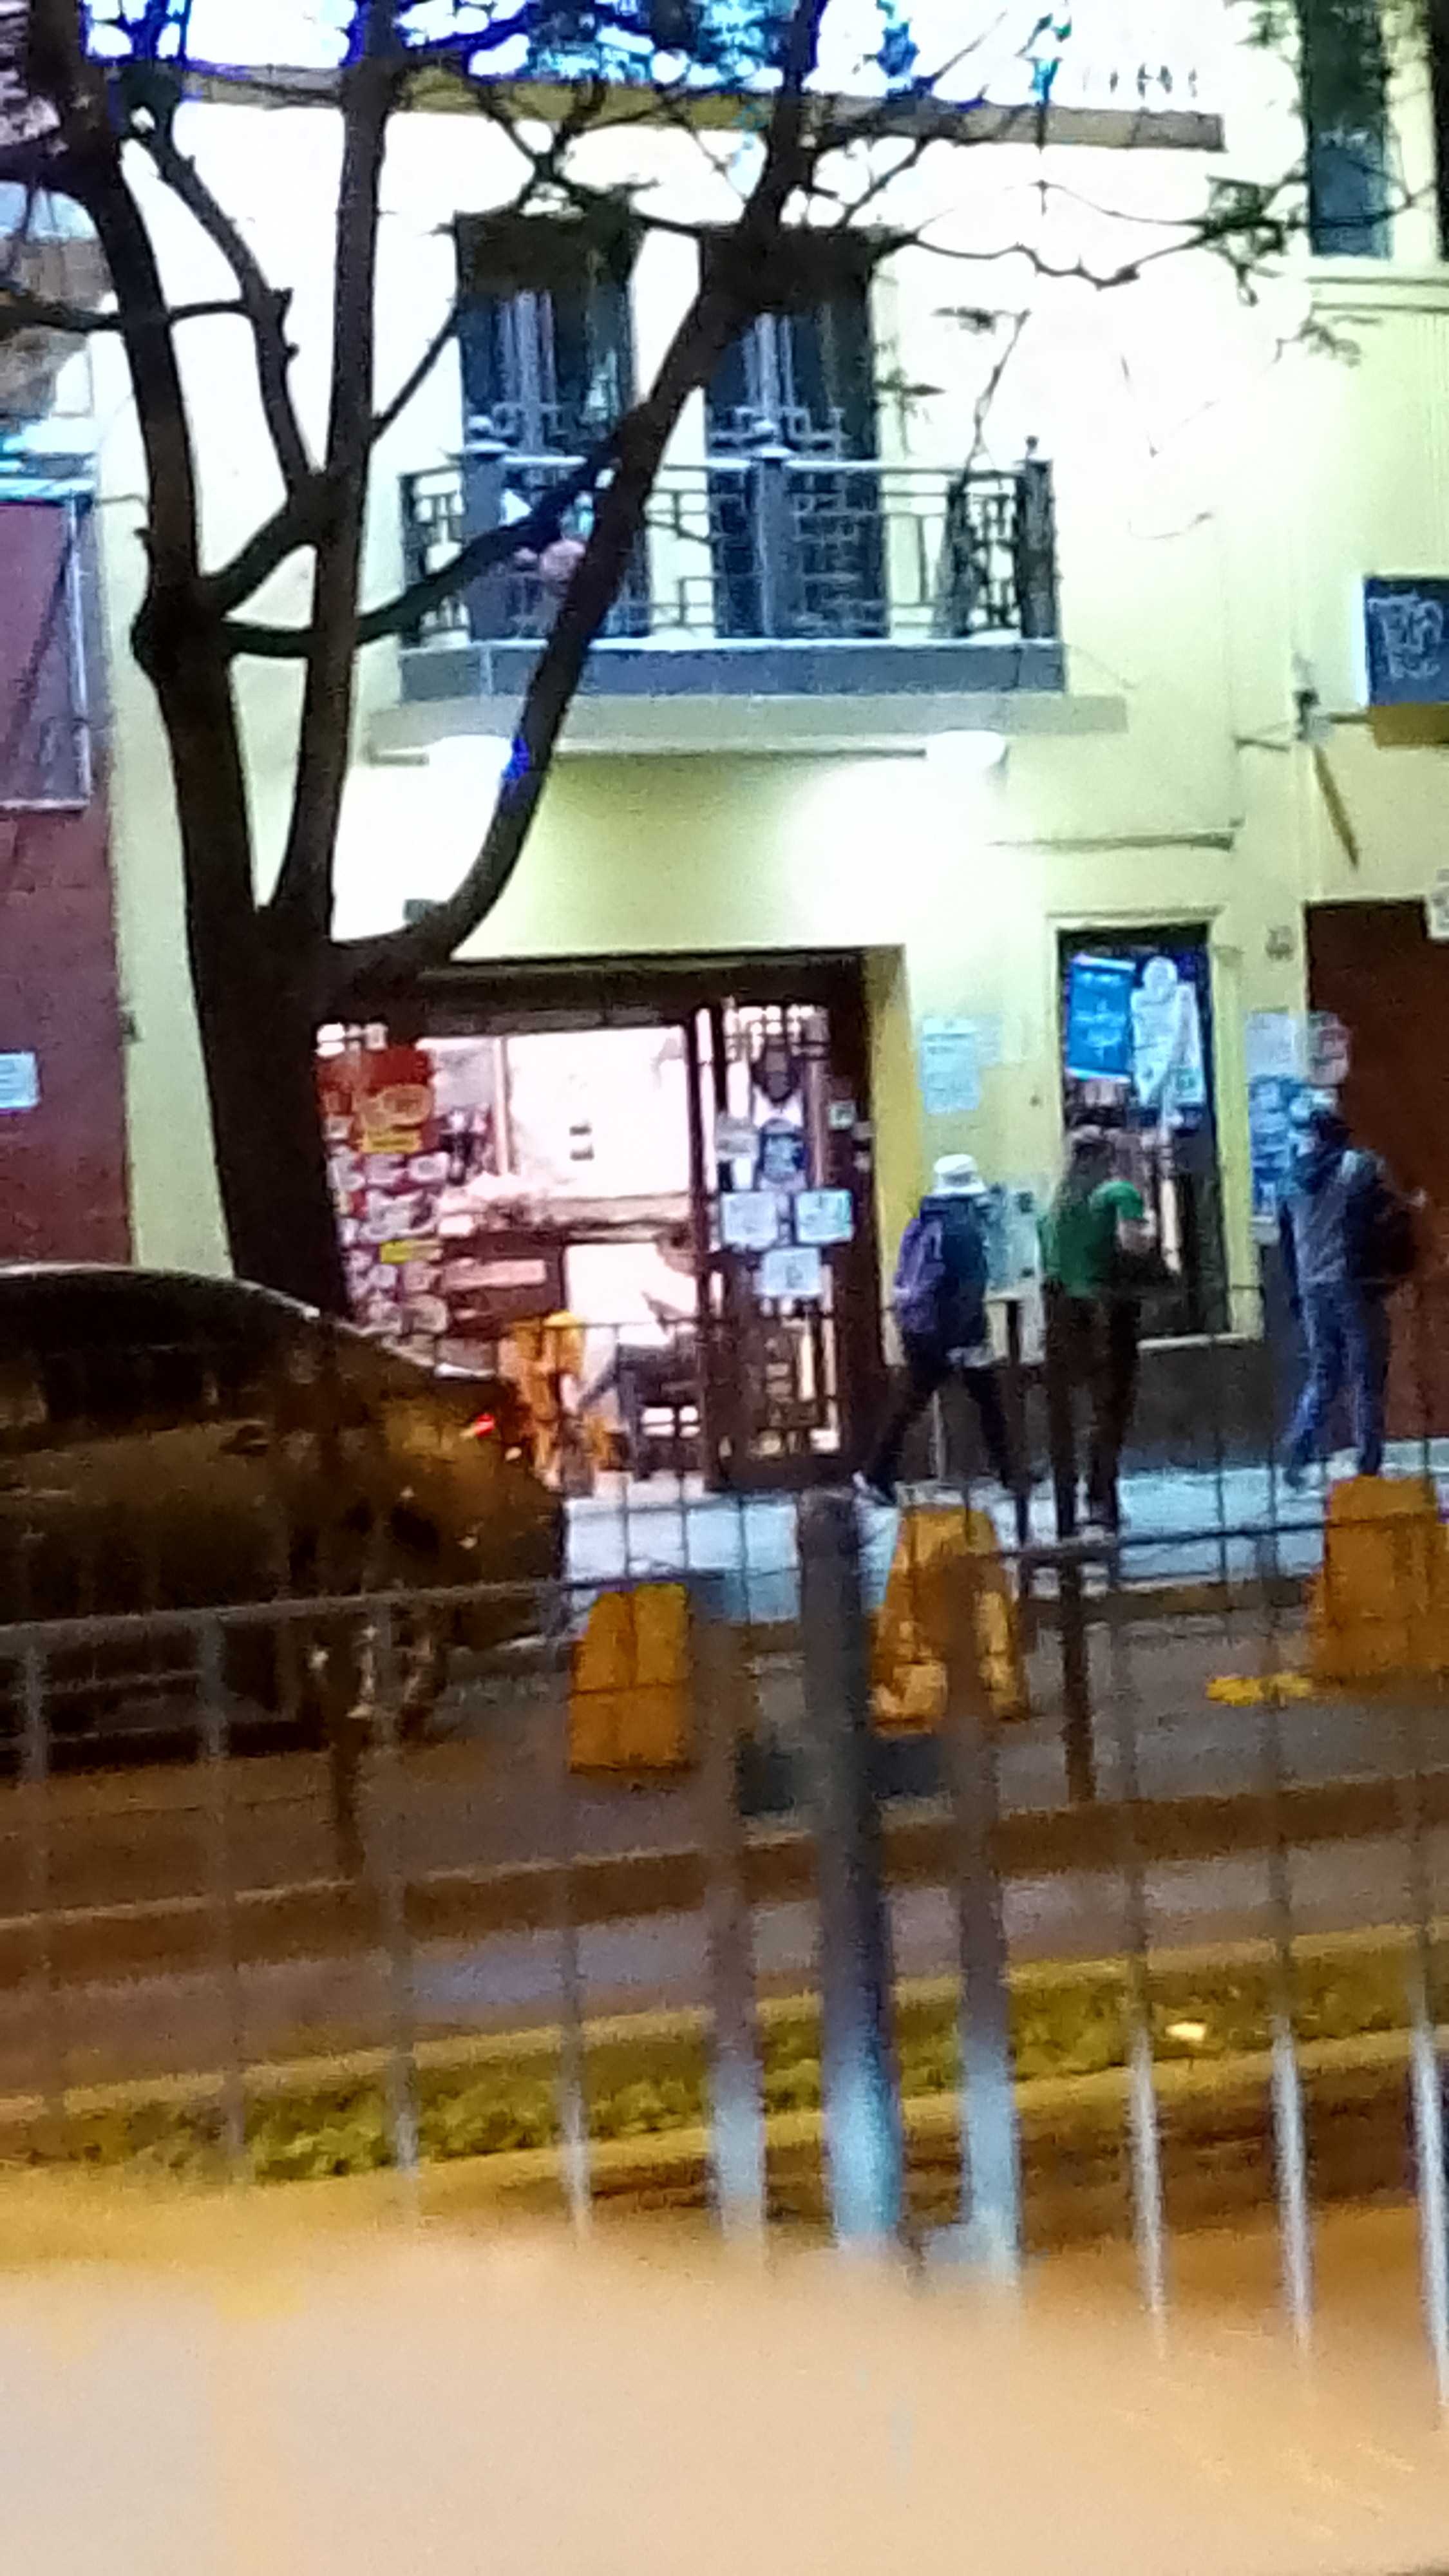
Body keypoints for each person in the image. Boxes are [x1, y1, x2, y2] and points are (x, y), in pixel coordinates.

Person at [855, 1153, 1014, 1506]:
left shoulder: (924, 1221)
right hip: (952, 1330)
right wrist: (965, 1337)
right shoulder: (962, 1230)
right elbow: (967, 1288)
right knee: (986, 1399)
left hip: (918, 1326)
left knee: (914, 1400)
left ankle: (875, 1473)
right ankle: (1009, 1472)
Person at [1278, 1094, 1416, 1485]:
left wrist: (1294, 1292)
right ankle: (1368, 1462)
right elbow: (1393, 1209)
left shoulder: (1289, 1181)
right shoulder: (1359, 1167)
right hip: (1354, 1286)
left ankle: (1298, 1451)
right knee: (1367, 1375)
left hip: (1311, 1288)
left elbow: (1286, 1244)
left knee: (1325, 1374)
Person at [1039, 1122, 1157, 1537]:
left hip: (1062, 1316)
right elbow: (1135, 1244)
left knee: (1070, 1415)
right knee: (1112, 1409)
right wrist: (1147, 1215)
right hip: (1108, 1314)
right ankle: (1102, 1496)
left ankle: (1069, 1511)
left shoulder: (1053, 1209)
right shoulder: (1118, 1193)